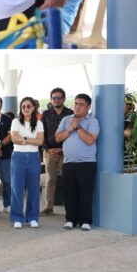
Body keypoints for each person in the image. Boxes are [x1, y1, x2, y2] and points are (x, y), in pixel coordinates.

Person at [56, 93, 99, 231]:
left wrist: (78, 127)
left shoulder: (93, 121)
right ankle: (70, 219)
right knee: (69, 193)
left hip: (86, 163)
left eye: (81, 104)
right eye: (76, 103)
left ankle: (85, 221)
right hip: (68, 163)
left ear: (88, 106)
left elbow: (90, 140)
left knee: (85, 193)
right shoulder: (66, 120)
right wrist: (70, 128)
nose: (77, 107)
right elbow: (57, 138)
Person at [9, 97, 44, 228]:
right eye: (23, 106)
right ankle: (17, 217)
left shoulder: (39, 123)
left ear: (33, 107)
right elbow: (14, 139)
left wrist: (23, 138)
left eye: (29, 106)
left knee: (34, 188)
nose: (26, 109)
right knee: (17, 188)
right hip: (18, 156)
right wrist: (30, 139)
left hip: (34, 156)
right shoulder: (15, 121)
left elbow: (40, 141)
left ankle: (32, 217)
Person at [40, 88, 73, 215]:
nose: (56, 100)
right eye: (54, 98)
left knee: (68, 179)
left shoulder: (70, 114)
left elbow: (73, 133)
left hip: (67, 151)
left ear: (64, 99)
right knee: (50, 179)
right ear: (51, 99)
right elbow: (41, 133)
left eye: (59, 97)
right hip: (49, 151)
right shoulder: (46, 114)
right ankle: (49, 206)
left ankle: (70, 205)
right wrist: (48, 149)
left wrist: (63, 149)